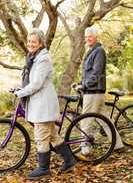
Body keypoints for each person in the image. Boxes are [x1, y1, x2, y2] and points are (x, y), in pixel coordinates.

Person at [15, 28, 77, 180]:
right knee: (53, 136)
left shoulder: (43, 59)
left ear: (41, 43)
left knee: (41, 136)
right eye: (29, 41)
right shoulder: (33, 58)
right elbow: (31, 80)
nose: (30, 44)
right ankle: (69, 160)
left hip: (43, 104)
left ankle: (43, 168)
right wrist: (20, 88)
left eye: (34, 42)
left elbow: (36, 83)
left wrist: (21, 92)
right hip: (40, 103)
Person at [77, 26, 124, 155]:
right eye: (86, 37)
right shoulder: (91, 51)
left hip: (94, 91)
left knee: (85, 119)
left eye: (90, 36)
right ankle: (118, 144)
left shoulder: (99, 51)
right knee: (104, 119)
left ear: (96, 37)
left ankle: (85, 147)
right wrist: (80, 83)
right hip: (92, 91)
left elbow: (96, 72)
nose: (88, 39)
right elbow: (88, 73)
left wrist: (85, 85)